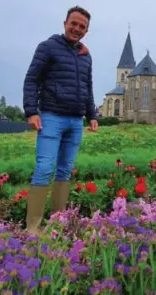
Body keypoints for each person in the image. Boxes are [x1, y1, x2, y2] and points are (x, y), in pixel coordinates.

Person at [23, 6, 99, 235]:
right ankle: (33, 227)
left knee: (65, 170)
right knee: (45, 168)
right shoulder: (47, 48)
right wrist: (31, 111)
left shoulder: (86, 57)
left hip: (75, 122)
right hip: (51, 117)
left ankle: (58, 222)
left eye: (82, 27)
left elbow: (88, 88)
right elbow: (32, 80)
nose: (77, 29)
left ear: (86, 30)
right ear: (65, 23)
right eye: (73, 24)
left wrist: (92, 115)